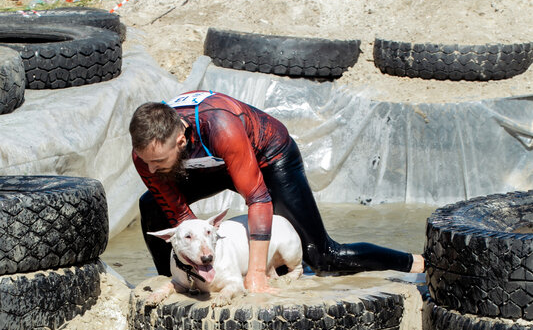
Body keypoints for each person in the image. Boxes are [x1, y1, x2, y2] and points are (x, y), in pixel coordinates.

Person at [129, 90, 424, 293]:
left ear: (181, 141)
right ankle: (174, 277)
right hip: (213, 166)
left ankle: (413, 262)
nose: (150, 170)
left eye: (157, 162)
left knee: (322, 256)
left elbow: (258, 199)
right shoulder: (147, 155)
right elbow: (183, 219)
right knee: (152, 206)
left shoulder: (220, 126)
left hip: (268, 156)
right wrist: (197, 269)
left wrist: (256, 274)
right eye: (145, 161)